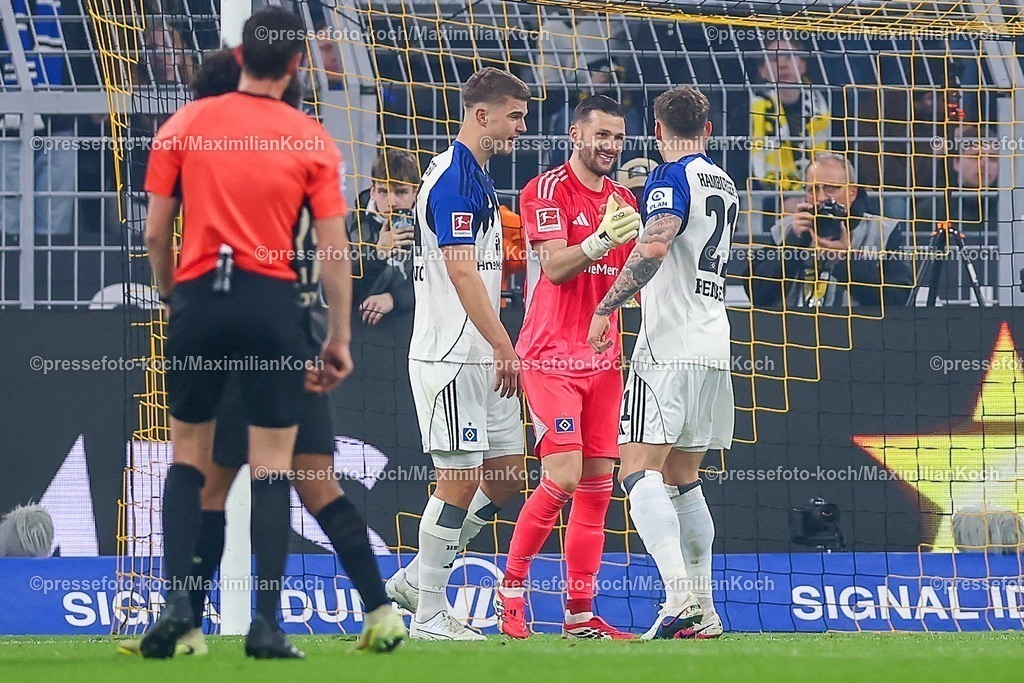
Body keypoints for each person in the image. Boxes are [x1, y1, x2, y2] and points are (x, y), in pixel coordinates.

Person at [116, 47, 405, 658]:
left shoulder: (201, 135)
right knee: (302, 476)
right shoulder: (302, 141)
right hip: (284, 322)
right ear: (294, 71)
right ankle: (324, 617)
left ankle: (187, 615)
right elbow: (333, 248)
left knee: (208, 474)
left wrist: (179, 294)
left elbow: (154, 228)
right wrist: (336, 335)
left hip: (214, 310)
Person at [385, 67, 529, 641]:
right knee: (456, 480)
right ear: (482, 115)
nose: (522, 128)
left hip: (479, 356)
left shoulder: (477, 178)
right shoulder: (452, 180)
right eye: (514, 117)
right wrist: (502, 343)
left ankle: (420, 577)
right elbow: (461, 268)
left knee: (506, 477)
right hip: (452, 355)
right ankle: (430, 615)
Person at [588, 86, 736, 640]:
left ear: (656, 129)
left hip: (668, 346)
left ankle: (677, 593)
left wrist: (607, 306)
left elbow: (653, 248)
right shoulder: (723, 181)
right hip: (713, 343)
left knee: (636, 470)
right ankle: (706, 608)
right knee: (684, 478)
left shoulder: (670, 179)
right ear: (709, 128)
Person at [492, 95, 640, 641]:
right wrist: (602, 238)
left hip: (604, 360)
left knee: (600, 487)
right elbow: (554, 267)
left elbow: (627, 276)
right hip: (552, 357)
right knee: (565, 476)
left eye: (619, 138)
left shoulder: (624, 198)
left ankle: (579, 613)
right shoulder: (546, 189)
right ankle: (511, 588)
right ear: (575, 136)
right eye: (601, 135)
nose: (610, 147)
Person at [745, 152, 914, 308]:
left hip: (860, 335)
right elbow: (758, 297)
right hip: (793, 334)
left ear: (852, 192)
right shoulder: (785, 230)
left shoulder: (883, 232)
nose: (820, 198)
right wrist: (791, 245)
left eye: (830, 189)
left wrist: (846, 262)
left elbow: (899, 300)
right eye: (813, 190)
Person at [347, 149, 419, 325]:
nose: (391, 202)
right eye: (383, 191)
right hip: (363, 331)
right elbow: (341, 290)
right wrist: (377, 254)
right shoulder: (352, 225)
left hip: (413, 328)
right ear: (372, 191)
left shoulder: (430, 223)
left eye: (401, 192)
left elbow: (444, 285)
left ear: (415, 192)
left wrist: (396, 298)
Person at [749, 38, 830, 192]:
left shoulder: (826, 106)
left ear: (803, 64)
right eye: (773, 59)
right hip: (766, 198)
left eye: (789, 56)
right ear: (762, 70)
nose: (783, 65)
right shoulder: (751, 110)